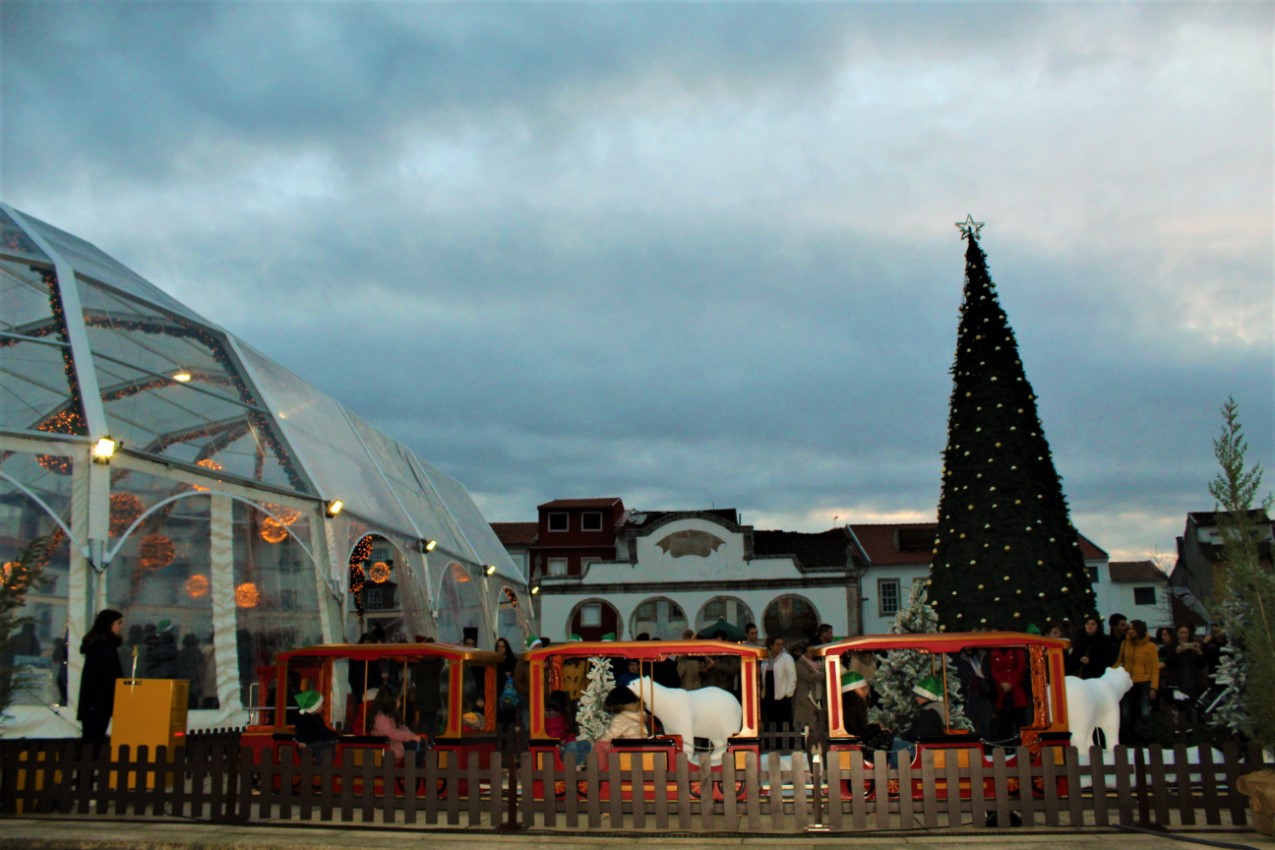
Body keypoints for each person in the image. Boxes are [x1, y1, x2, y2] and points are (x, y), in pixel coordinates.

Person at [78, 609, 124, 752]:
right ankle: (86, 770)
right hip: (99, 700)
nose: (121, 626)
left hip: (94, 701)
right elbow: (107, 674)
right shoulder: (104, 645)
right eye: (118, 623)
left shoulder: (98, 644)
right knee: (93, 740)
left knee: (91, 739)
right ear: (109, 624)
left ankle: (85, 770)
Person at [890, 674, 948, 767]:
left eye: (918, 696)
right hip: (926, 745)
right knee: (897, 741)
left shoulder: (929, 712)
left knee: (896, 744)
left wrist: (904, 736)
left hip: (925, 748)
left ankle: (895, 772)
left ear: (925, 697)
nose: (916, 698)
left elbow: (920, 733)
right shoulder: (932, 710)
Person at [1115, 619, 1158, 744]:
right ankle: (1127, 740)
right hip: (1127, 682)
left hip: (1143, 682)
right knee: (1125, 712)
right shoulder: (1125, 643)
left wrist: (1153, 687)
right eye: (1129, 628)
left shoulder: (1150, 646)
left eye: (1133, 628)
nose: (1130, 631)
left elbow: (1155, 668)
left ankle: (1146, 740)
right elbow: (1120, 661)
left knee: (1144, 712)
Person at [370, 688, 429, 765]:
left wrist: (411, 735)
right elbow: (391, 733)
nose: (400, 703)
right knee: (416, 745)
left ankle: (417, 768)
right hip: (389, 746)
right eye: (398, 700)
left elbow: (399, 728)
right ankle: (415, 769)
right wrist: (410, 737)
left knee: (421, 742)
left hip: (393, 742)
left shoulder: (389, 715)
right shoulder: (382, 717)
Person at [989, 643, 1028, 743]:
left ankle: (1023, 743)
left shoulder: (1017, 650)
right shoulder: (994, 651)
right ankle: (1007, 745)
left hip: (1016, 690)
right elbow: (993, 670)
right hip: (1001, 691)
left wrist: (1011, 683)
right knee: (1004, 722)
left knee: (1020, 721)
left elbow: (1021, 667)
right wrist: (1001, 683)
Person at [793, 641, 826, 757]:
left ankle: (818, 746)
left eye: (812, 651)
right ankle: (807, 746)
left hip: (818, 695)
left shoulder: (819, 664)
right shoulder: (800, 664)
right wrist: (823, 674)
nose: (810, 654)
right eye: (808, 651)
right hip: (807, 697)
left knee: (818, 723)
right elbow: (808, 677)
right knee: (807, 724)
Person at [953, 645, 993, 740]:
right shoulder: (959, 660)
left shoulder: (983, 657)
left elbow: (989, 674)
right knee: (970, 722)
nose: (969, 649)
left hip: (984, 695)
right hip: (968, 696)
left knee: (985, 723)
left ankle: (986, 744)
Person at [294, 689, 339, 761]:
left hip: (317, 745)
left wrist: (333, 736)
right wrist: (302, 741)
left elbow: (323, 730)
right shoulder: (303, 719)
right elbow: (302, 732)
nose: (322, 706)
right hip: (311, 746)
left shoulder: (317, 717)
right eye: (321, 704)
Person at [761, 635, 795, 730]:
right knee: (771, 720)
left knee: (784, 721)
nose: (780, 646)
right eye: (777, 644)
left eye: (781, 644)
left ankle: (788, 742)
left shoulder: (787, 658)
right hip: (769, 695)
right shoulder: (765, 659)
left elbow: (792, 676)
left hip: (782, 696)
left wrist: (789, 693)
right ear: (771, 645)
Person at [545, 690, 591, 758]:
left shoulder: (562, 718)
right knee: (573, 746)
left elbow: (565, 735)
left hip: (563, 746)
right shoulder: (553, 720)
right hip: (556, 751)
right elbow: (556, 738)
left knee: (586, 744)